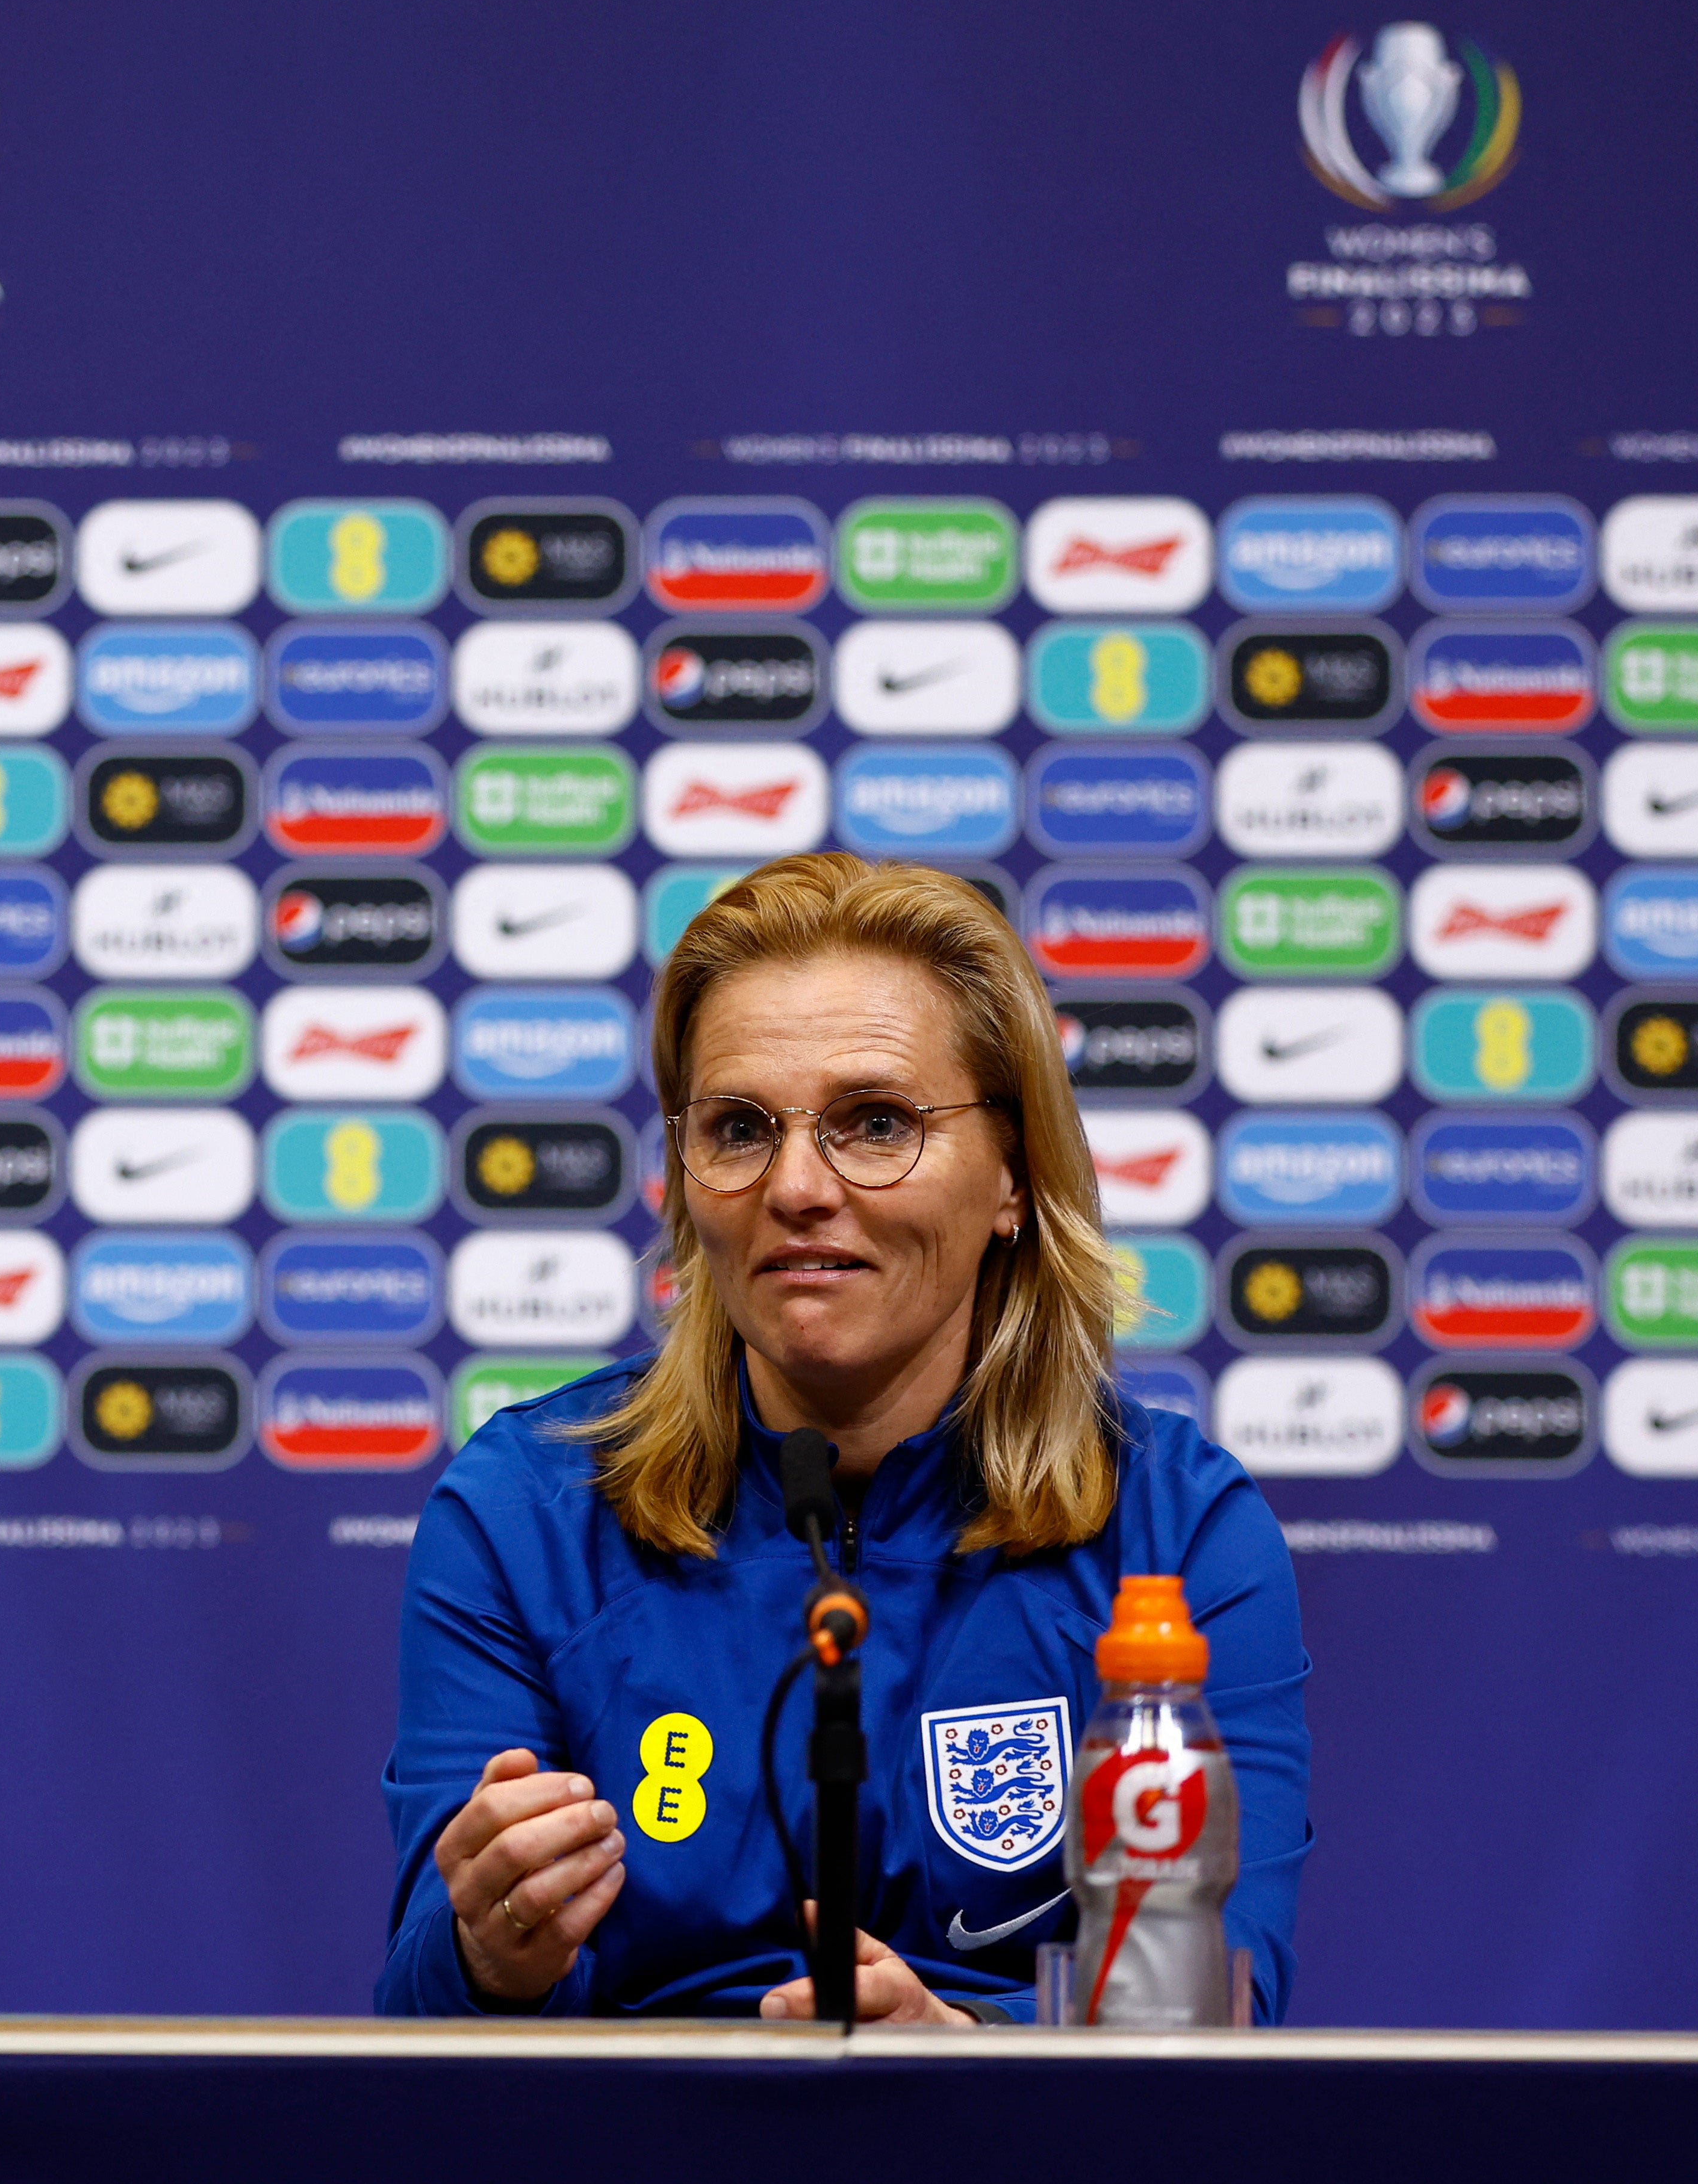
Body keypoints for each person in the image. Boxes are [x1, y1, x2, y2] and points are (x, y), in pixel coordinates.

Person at [379, 853, 1309, 2021]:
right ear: (681, 1176)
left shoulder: (1175, 1527)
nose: (797, 1185)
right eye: (737, 1127)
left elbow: (1217, 2012)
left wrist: (964, 2054)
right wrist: (491, 1948)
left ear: (1014, 1173)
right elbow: (417, 2026)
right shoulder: (525, 1513)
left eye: (875, 1123)